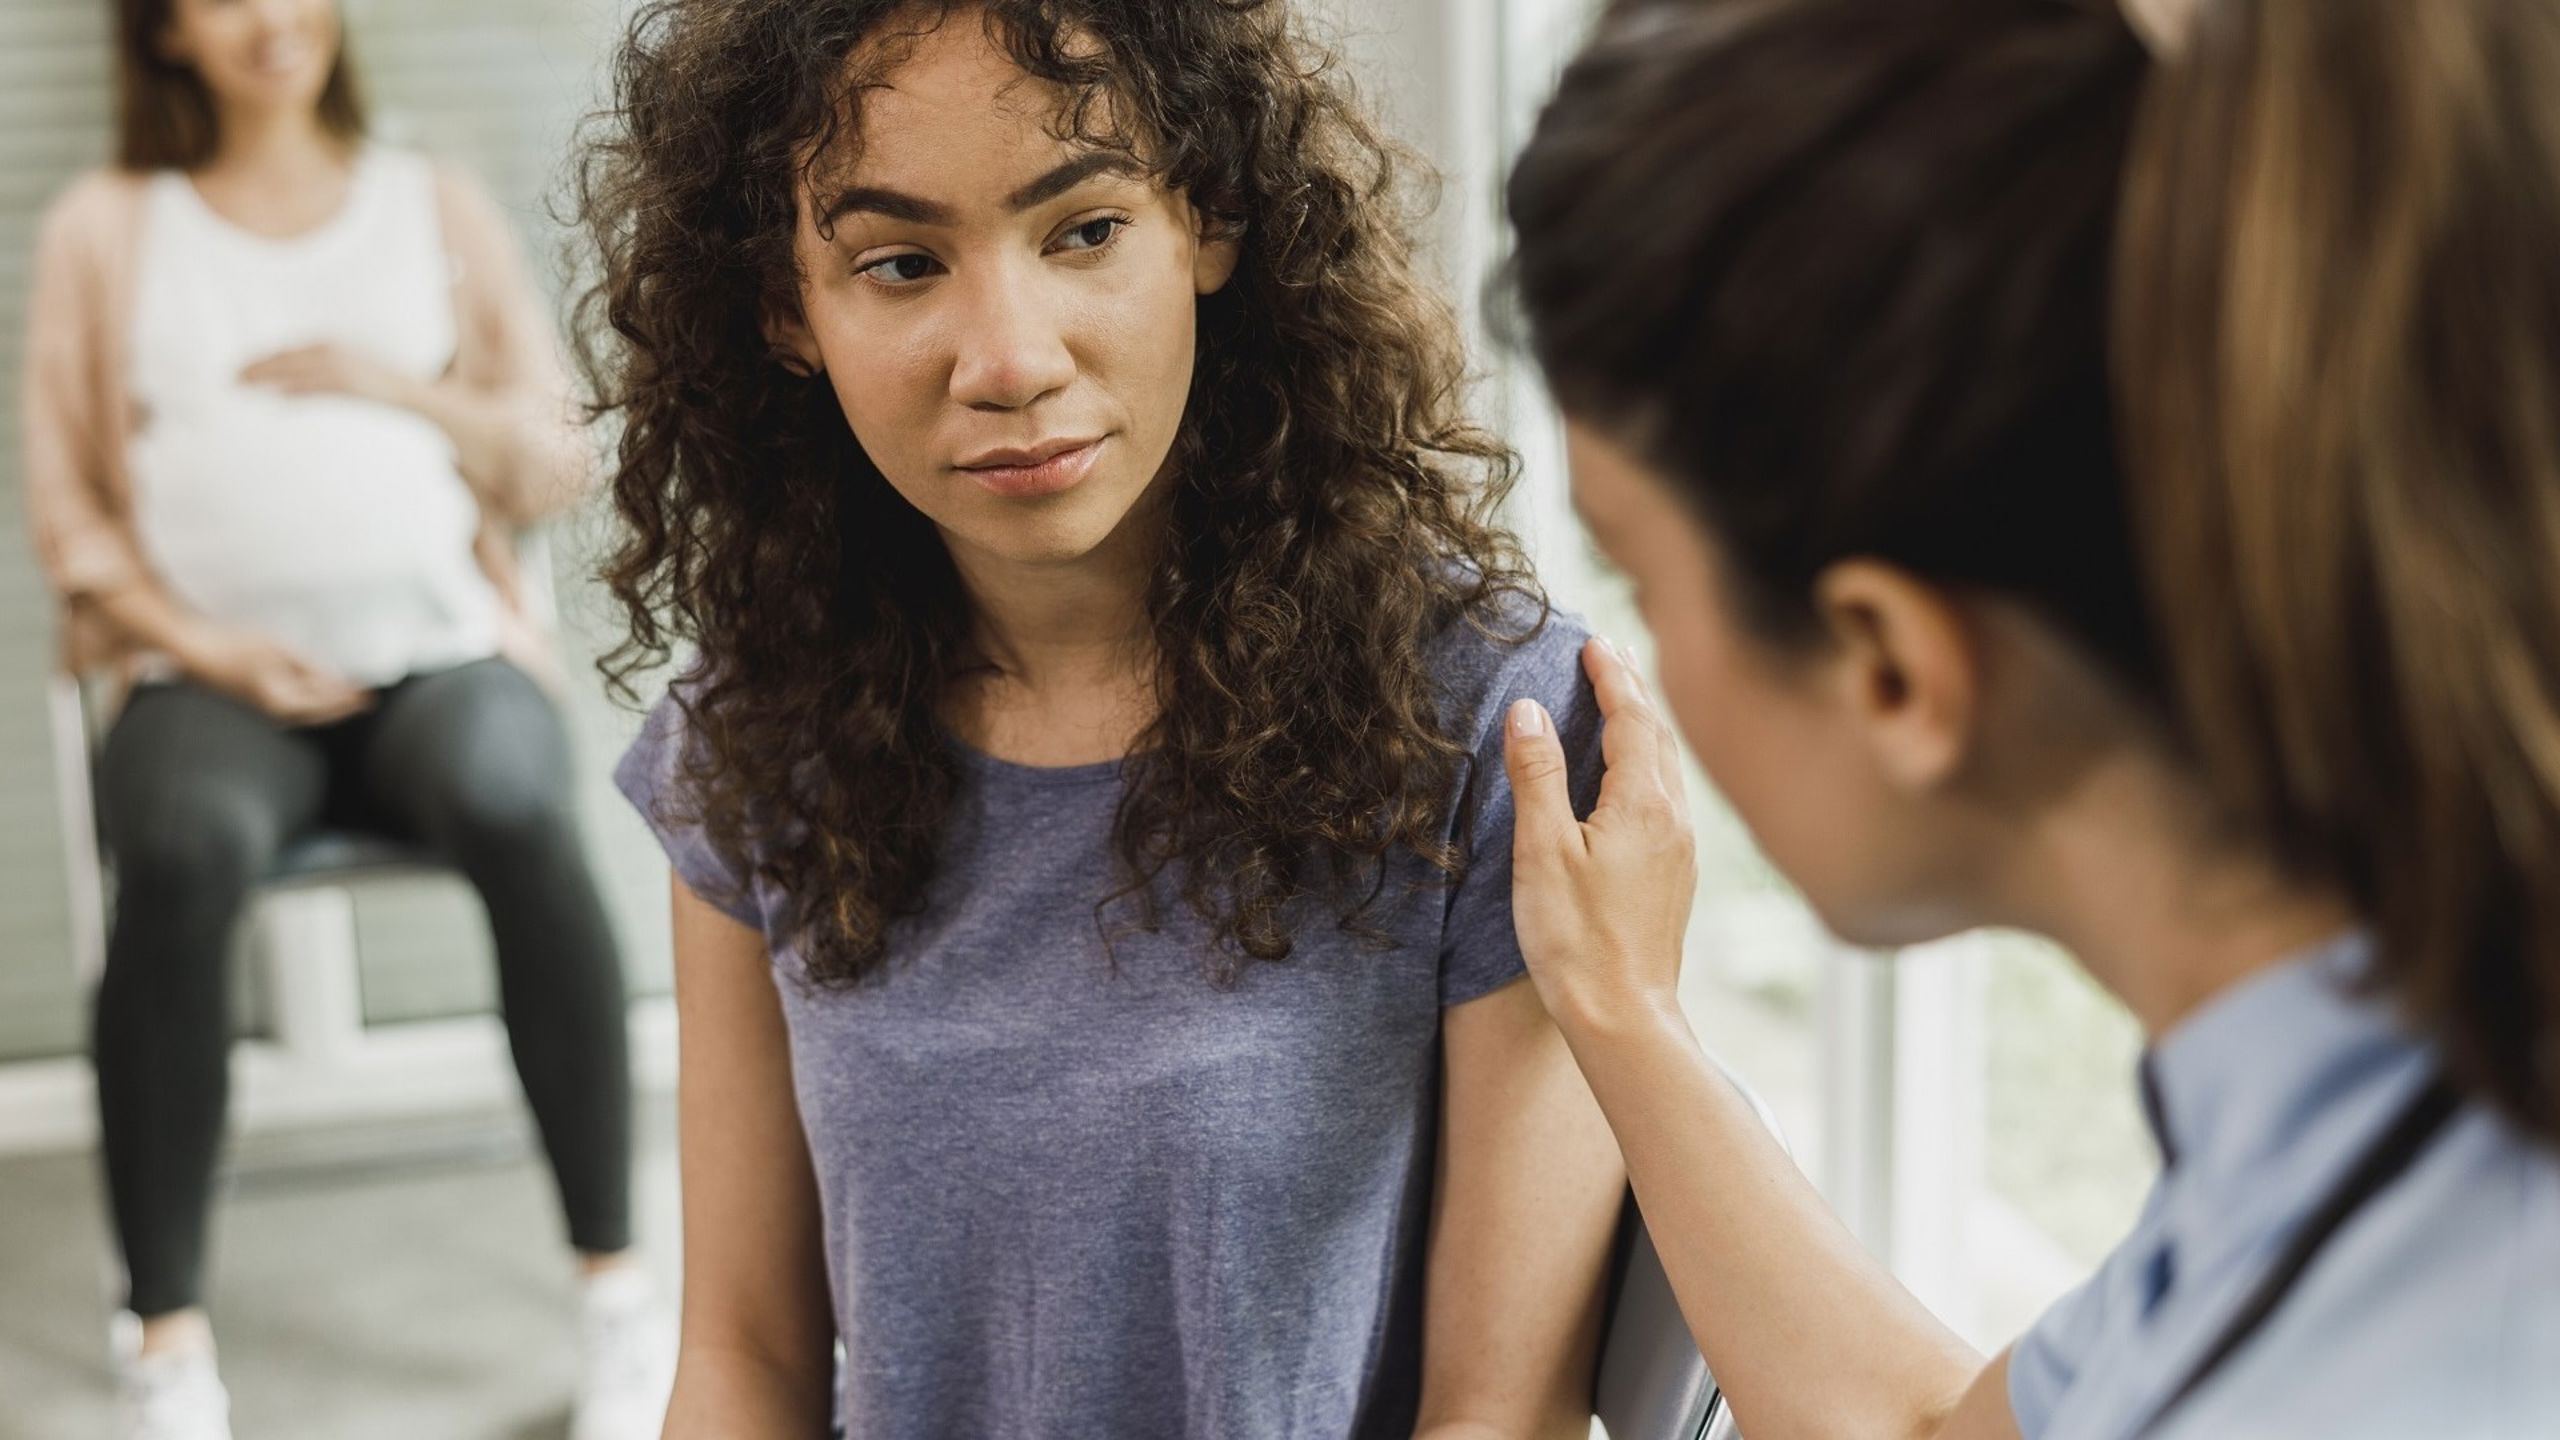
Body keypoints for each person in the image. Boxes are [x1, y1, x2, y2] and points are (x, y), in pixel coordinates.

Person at [1493, 0, 2560, 1436]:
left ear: (1889, 668)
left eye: (1640, 576)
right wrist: (1622, 1005)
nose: (1634, 645)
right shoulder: (2381, 1098)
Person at [578, 1, 1627, 1435]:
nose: (1009, 360)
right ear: (787, 312)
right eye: (899, 264)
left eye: (1083, 231)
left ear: (1208, 220)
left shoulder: (1484, 726)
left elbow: (1501, 1418)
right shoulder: (759, 731)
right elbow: (746, 1360)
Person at [19, 2, 666, 1436]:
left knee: (517, 799)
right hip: (209, 690)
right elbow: (66, 512)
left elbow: (557, 458)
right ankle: (167, 1337)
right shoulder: (107, 228)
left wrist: (392, 386)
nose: (266, 18)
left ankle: (620, 1293)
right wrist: (213, 651)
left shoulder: (425, 202)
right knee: (178, 850)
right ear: (166, 32)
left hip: (433, 665)